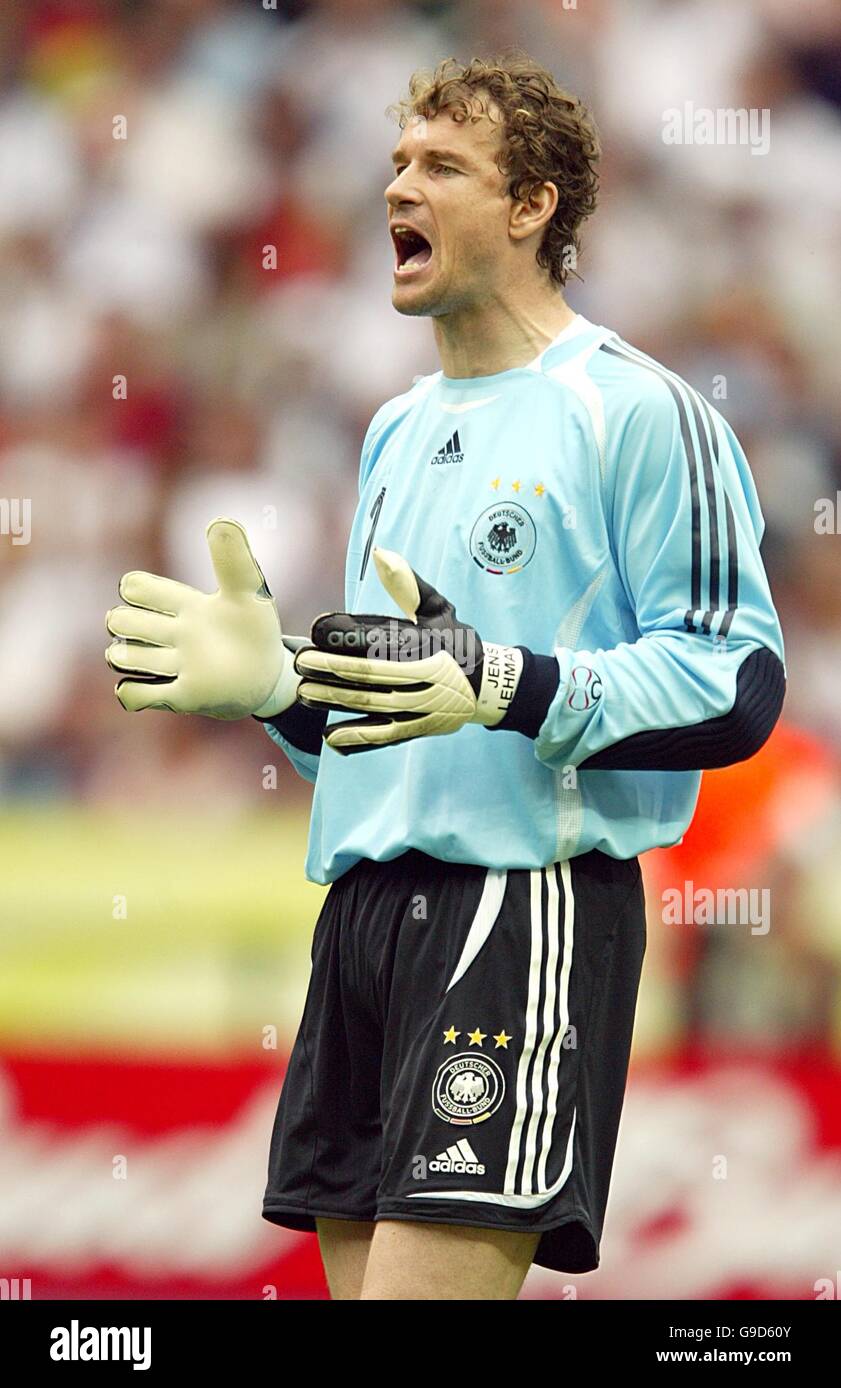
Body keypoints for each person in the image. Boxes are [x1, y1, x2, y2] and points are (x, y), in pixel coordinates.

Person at [105, 55, 785, 1301]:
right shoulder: (397, 426)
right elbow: (399, 714)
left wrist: (512, 680)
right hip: (363, 916)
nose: (394, 188)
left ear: (531, 206)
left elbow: (735, 684)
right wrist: (279, 691)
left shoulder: (634, 412)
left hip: (520, 906)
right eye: (397, 161)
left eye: (440, 167)